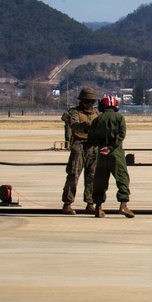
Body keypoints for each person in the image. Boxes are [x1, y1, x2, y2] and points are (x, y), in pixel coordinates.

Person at [87, 95, 134, 218]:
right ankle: (123, 206)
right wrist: (111, 148)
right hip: (116, 153)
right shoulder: (119, 118)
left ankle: (98, 207)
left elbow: (91, 137)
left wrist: (101, 146)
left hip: (101, 155)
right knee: (122, 178)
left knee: (99, 181)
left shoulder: (97, 119)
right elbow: (121, 134)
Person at [60, 87, 99, 215]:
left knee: (92, 177)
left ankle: (90, 203)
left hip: (93, 147)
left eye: (91, 102)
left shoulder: (97, 114)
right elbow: (74, 125)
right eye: (87, 101)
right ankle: (67, 203)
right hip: (79, 146)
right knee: (73, 175)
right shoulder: (74, 112)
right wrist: (87, 127)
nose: (89, 105)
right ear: (81, 101)